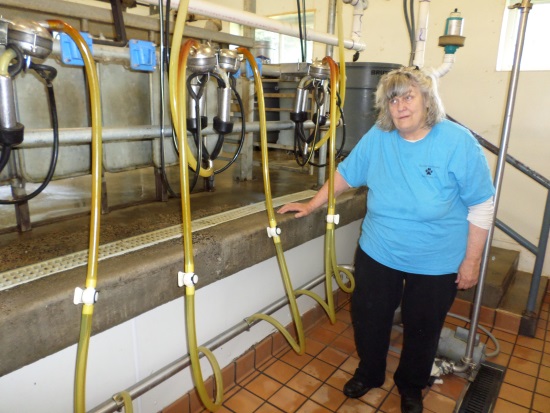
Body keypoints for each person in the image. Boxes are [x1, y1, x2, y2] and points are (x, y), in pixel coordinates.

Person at [278, 66, 495, 413]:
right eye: (392, 100)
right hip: (379, 250)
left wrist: (471, 261)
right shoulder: (379, 137)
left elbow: (482, 204)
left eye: (408, 96)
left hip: (436, 258)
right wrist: (312, 204)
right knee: (368, 317)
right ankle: (370, 372)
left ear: (427, 100)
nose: (400, 106)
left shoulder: (457, 142)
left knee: (423, 328)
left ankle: (411, 385)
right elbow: (345, 175)